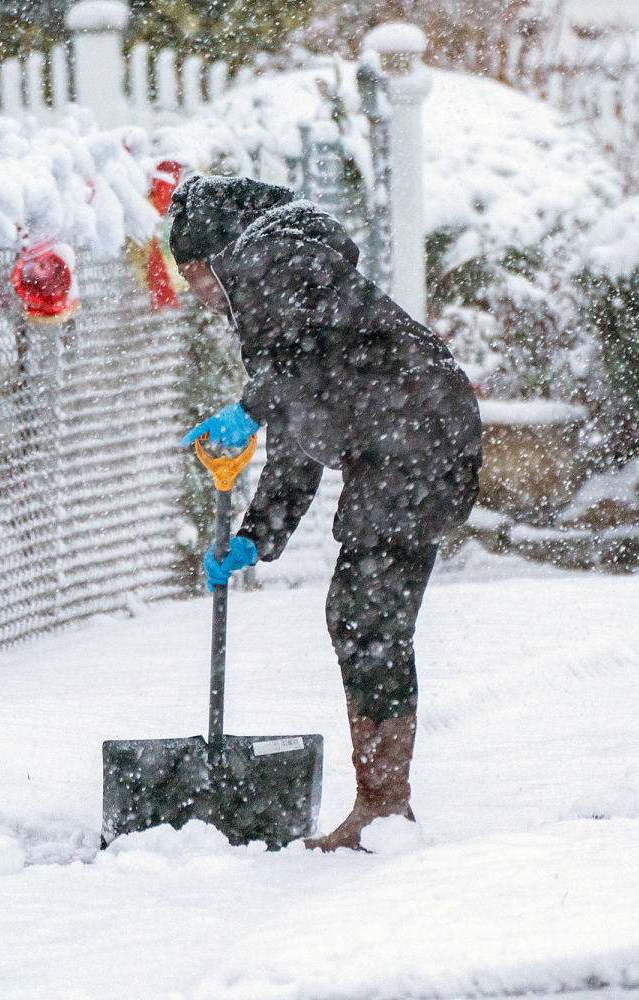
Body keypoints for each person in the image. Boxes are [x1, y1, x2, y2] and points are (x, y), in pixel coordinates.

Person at [170, 174, 482, 851]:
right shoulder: (277, 284)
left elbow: (309, 361)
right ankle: (383, 804)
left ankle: (384, 806)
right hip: (416, 435)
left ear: (217, 254)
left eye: (194, 273)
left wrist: (248, 409)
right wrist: (257, 535)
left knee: (367, 614)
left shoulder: (275, 260)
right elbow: (298, 435)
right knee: (364, 615)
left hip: (411, 435)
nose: (198, 294)